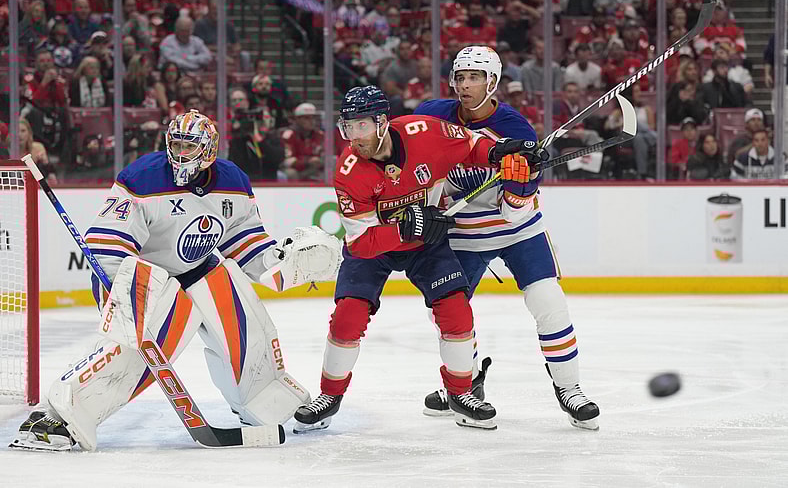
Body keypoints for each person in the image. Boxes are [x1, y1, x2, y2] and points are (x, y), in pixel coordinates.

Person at [10, 110, 342, 451]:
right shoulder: (142, 178)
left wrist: (282, 264)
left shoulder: (234, 182)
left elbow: (246, 242)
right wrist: (122, 297)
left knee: (245, 322)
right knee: (136, 344)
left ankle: (265, 402)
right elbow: (107, 245)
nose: (181, 154)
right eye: (176, 145)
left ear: (210, 149)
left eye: (190, 146)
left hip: (198, 268)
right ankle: (57, 416)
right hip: (143, 276)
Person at [292, 85, 540, 433]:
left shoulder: (425, 132)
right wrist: (406, 229)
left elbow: (470, 146)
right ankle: (329, 395)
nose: (354, 137)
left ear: (382, 122)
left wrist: (500, 153)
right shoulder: (348, 171)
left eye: (361, 126)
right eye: (347, 128)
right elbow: (362, 243)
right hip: (378, 247)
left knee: (455, 308)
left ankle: (460, 393)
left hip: (426, 244)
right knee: (348, 316)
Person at [413, 46, 600, 430]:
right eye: (460, 77)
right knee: (450, 313)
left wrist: (522, 182)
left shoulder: (516, 130)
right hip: (463, 231)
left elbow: (516, 210)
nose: (464, 85)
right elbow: (407, 157)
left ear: (492, 82)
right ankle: (466, 386)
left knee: (549, 301)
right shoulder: (431, 116)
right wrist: (423, 204)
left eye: (474, 78)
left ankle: (570, 389)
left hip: (518, 230)